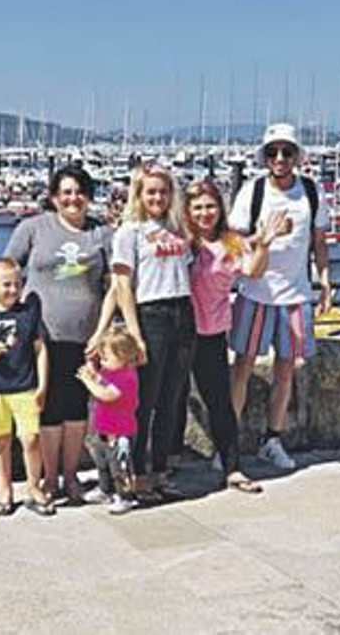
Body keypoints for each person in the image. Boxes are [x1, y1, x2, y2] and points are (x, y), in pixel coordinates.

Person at [2, 164, 112, 505]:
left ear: (89, 196)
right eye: (65, 192)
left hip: (86, 338)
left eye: (79, 192)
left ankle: (71, 476)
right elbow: (6, 269)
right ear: (54, 197)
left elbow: (114, 285)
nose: (73, 198)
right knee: (48, 408)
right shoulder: (33, 228)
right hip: (42, 338)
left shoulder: (102, 234)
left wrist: (105, 330)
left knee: (78, 409)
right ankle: (49, 477)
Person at [227, 124, 333, 471]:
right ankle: (227, 444)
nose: (280, 159)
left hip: (295, 295)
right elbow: (236, 241)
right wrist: (266, 235)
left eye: (287, 152)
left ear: (297, 156)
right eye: (273, 152)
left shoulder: (311, 193)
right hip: (255, 292)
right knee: (241, 366)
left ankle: (272, 439)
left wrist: (326, 282)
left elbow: (319, 242)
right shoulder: (252, 191)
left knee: (286, 370)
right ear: (265, 157)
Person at [97, 162, 191, 491]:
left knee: (172, 396)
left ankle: (161, 468)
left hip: (182, 310)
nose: (158, 197)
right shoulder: (129, 232)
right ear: (140, 194)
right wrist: (135, 333)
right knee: (144, 399)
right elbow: (122, 285)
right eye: (151, 191)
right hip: (151, 313)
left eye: (164, 191)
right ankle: (133, 471)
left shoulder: (178, 227)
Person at [182, 177, 271, 493]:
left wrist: (265, 242)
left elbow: (254, 270)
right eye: (198, 208)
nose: (205, 213)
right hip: (179, 331)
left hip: (212, 332)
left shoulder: (232, 242)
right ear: (187, 211)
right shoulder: (180, 240)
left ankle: (232, 467)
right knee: (171, 402)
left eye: (210, 206)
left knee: (219, 402)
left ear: (220, 208)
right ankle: (162, 466)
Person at [0, 257, 54, 517]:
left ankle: (33, 486)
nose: (13, 290)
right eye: (6, 284)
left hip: (24, 386)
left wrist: (42, 385)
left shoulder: (27, 314)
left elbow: (40, 350)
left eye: (18, 284)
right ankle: (4, 488)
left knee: (30, 438)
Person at [77, 328, 142, 514]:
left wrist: (87, 382)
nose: (102, 361)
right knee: (102, 463)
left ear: (123, 356)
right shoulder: (110, 371)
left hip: (121, 432)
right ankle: (105, 490)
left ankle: (126, 497)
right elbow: (103, 381)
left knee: (120, 467)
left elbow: (106, 394)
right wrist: (93, 373)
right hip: (103, 429)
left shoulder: (127, 377)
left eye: (106, 357)